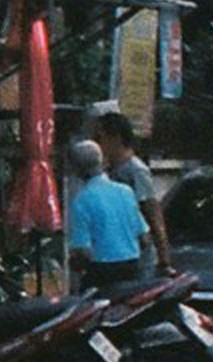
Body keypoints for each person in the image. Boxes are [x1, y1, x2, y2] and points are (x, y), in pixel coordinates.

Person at [65, 118, 155, 299]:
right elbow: (144, 238)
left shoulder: (82, 200)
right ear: (102, 161)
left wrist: (72, 264)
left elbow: (82, 252)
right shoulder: (125, 192)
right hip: (132, 269)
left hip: (102, 274)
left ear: (76, 170)